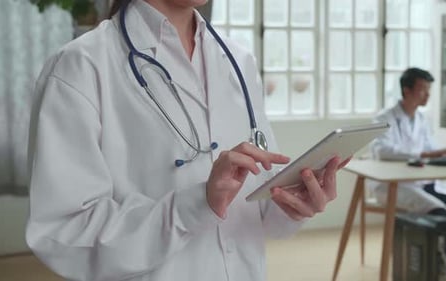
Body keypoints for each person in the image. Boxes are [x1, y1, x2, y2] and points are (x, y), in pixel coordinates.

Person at [26, 0, 349, 280]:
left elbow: (257, 202)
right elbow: (65, 233)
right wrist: (195, 205)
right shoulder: (80, 65)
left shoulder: (237, 61)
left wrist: (293, 201)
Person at [370, 67, 446, 224]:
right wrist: (425, 155)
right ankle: (422, 244)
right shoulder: (384, 118)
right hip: (394, 185)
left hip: (421, 182)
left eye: (429, 89)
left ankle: (441, 245)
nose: (428, 94)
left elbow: (431, 147)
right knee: (438, 211)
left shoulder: (421, 118)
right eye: (423, 89)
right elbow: (382, 150)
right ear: (406, 90)